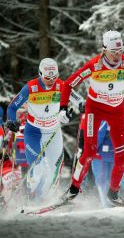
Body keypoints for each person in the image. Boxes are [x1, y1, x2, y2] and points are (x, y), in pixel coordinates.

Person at [60, 30, 124, 206]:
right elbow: (69, 83)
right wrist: (63, 108)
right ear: (104, 49)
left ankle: (113, 193)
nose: (118, 55)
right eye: (113, 51)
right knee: (89, 152)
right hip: (95, 109)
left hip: (116, 110)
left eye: (120, 50)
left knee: (121, 154)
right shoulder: (95, 65)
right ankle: (73, 189)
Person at [5, 58, 84, 202]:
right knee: (38, 168)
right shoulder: (31, 87)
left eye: (55, 77)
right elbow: (12, 107)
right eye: (48, 77)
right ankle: (30, 195)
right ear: (40, 74)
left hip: (54, 132)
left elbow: (79, 100)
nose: (51, 81)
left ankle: (46, 200)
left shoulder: (61, 85)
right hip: (34, 132)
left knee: (55, 170)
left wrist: (81, 106)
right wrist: (11, 121)